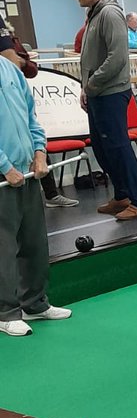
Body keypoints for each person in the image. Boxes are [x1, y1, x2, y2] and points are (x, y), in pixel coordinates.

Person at [0, 55, 72, 336]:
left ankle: (35, 303)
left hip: (27, 171)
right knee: (3, 246)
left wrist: (39, 152)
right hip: (4, 177)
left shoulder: (9, 69)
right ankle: (5, 312)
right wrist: (4, 167)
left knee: (34, 241)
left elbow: (31, 116)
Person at [72, 0, 137, 221]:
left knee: (118, 148)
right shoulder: (94, 15)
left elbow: (117, 58)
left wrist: (91, 84)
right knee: (103, 149)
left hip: (111, 93)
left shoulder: (110, 14)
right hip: (97, 93)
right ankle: (122, 195)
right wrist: (88, 88)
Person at [0, 12, 78, 208]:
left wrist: (40, 152)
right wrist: (5, 167)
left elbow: (20, 67)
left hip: (22, 163)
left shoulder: (10, 73)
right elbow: (16, 61)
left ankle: (51, 194)